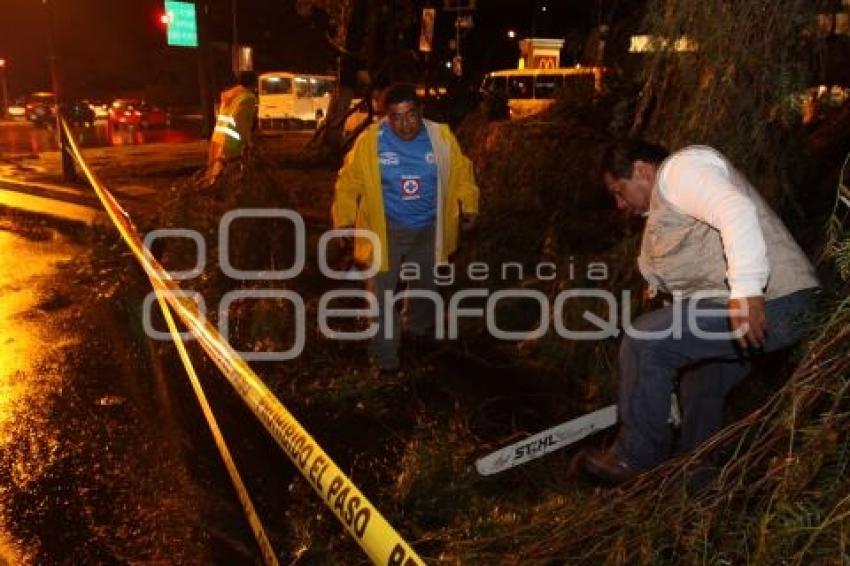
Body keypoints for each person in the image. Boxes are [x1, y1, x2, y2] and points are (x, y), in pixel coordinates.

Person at [584, 139, 820, 484]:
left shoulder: (681, 171)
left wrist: (747, 292)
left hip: (779, 301)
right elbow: (683, 310)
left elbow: (735, 208)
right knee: (700, 382)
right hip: (760, 308)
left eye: (619, 192)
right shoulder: (665, 217)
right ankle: (697, 484)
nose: (620, 205)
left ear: (641, 170)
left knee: (643, 338)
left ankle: (633, 457)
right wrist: (659, 392)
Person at [332, 83, 480, 375]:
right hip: (386, 227)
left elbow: (462, 172)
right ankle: (386, 360)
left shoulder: (441, 137)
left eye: (410, 115)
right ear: (385, 116)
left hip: (430, 227)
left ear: (420, 112)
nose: (404, 124)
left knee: (426, 286)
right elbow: (348, 183)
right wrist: (345, 221)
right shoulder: (370, 141)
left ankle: (416, 330)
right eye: (395, 117)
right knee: (380, 294)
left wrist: (470, 205)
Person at [205, 71, 258, 183]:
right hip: (232, 141)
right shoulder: (248, 97)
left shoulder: (231, 95)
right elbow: (241, 122)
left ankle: (208, 193)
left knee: (213, 171)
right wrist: (248, 142)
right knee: (227, 175)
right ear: (253, 83)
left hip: (218, 137)